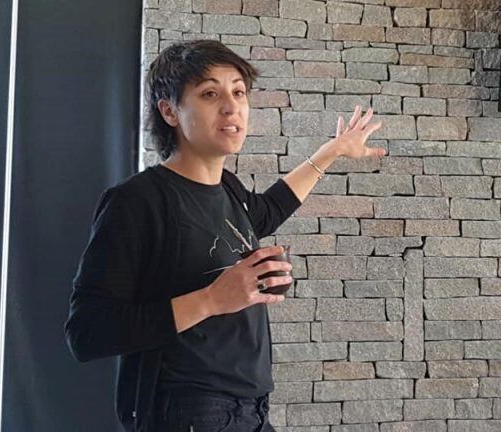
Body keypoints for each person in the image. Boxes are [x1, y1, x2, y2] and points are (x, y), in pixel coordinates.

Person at [64, 39, 385, 432]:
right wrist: (212, 300)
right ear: (169, 111)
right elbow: (87, 332)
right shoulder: (137, 201)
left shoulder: (229, 189)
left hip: (251, 410)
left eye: (239, 92)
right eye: (210, 94)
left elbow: (269, 209)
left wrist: (332, 151)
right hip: (189, 413)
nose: (232, 107)